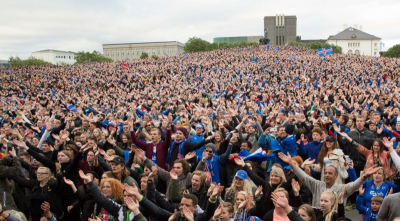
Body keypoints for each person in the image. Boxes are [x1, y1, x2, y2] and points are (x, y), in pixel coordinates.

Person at [277, 151, 382, 207]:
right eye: (326, 173)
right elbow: (304, 176)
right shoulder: (317, 185)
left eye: (330, 173)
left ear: (336, 176)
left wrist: (364, 176)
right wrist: (290, 163)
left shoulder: (342, 188)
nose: (327, 175)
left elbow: (354, 184)